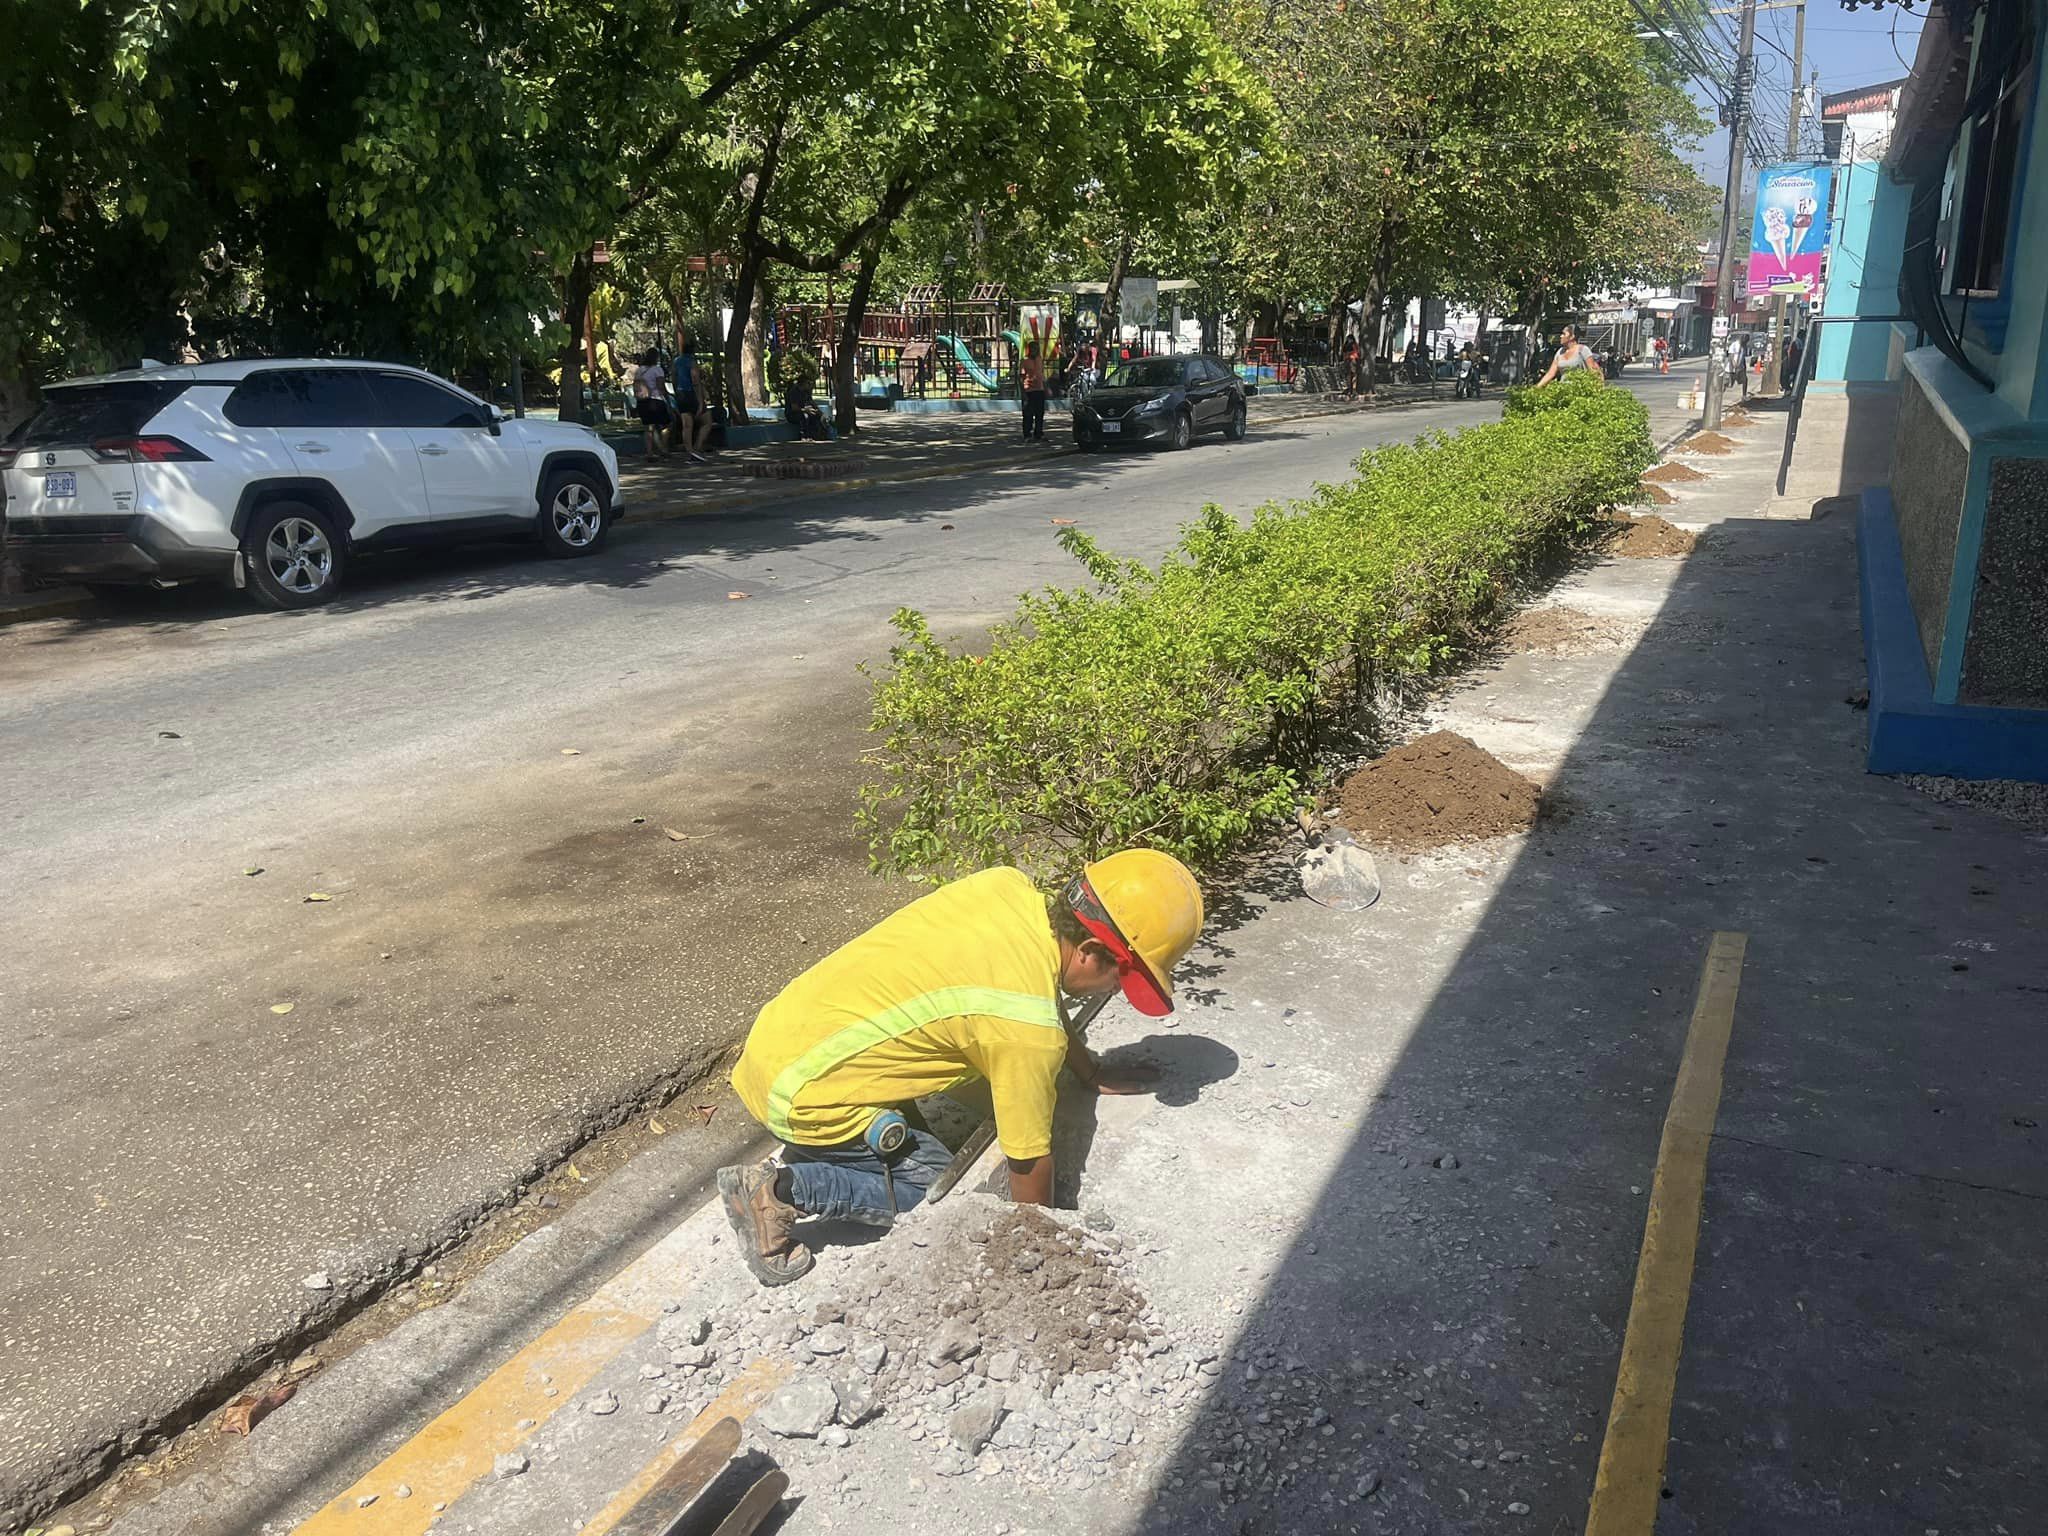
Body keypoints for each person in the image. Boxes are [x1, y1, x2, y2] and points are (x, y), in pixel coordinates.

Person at [717, 850, 1205, 1286]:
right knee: (929, 1191)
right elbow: (1028, 1162)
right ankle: (783, 1190)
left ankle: (833, 1154)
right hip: (804, 1095)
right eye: (1121, 978)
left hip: (787, 1040)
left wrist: (1088, 1070)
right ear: (1090, 952)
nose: (1116, 992)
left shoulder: (1008, 888)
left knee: (954, 1101)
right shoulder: (1024, 1031)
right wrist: (1040, 1247)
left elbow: (1036, 1000)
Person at [670, 334, 712, 462]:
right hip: (691, 393)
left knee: (687, 425)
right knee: (707, 421)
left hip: (681, 394)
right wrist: (700, 401)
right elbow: (695, 381)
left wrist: (677, 391)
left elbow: (673, 378)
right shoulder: (692, 362)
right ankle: (697, 447)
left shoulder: (676, 361)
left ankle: (690, 451)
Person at [631, 348, 672, 459]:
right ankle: (663, 448)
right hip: (656, 399)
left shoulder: (640, 370)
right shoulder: (658, 370)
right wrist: (668, 398)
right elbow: (661, 386)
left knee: (649, 428)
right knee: (666, 424)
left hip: (642, 400)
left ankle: (649, 452)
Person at [1536, 324, 1602, 385]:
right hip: (1563, 390)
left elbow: (1593, 372)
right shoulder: (1559, 352)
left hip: (1580, 391)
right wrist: (1536, 388)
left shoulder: (1583, 350)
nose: (1561, 336)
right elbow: (1550, 373)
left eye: (1564, 334)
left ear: (1572, 336)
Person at [1020, 339, 1048, 442]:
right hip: (1029, 390)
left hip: (1039, 389)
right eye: (1033, 348)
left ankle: (1039, 433)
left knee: (1040, 413)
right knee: (1028, 414)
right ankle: (1027, 434)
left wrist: (1046, 388)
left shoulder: (1039, 359)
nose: (1035, 350)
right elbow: (1021, 377)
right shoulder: (1024, 361)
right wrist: (1023, 392)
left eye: (1036, 348)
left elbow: (1042, 374)